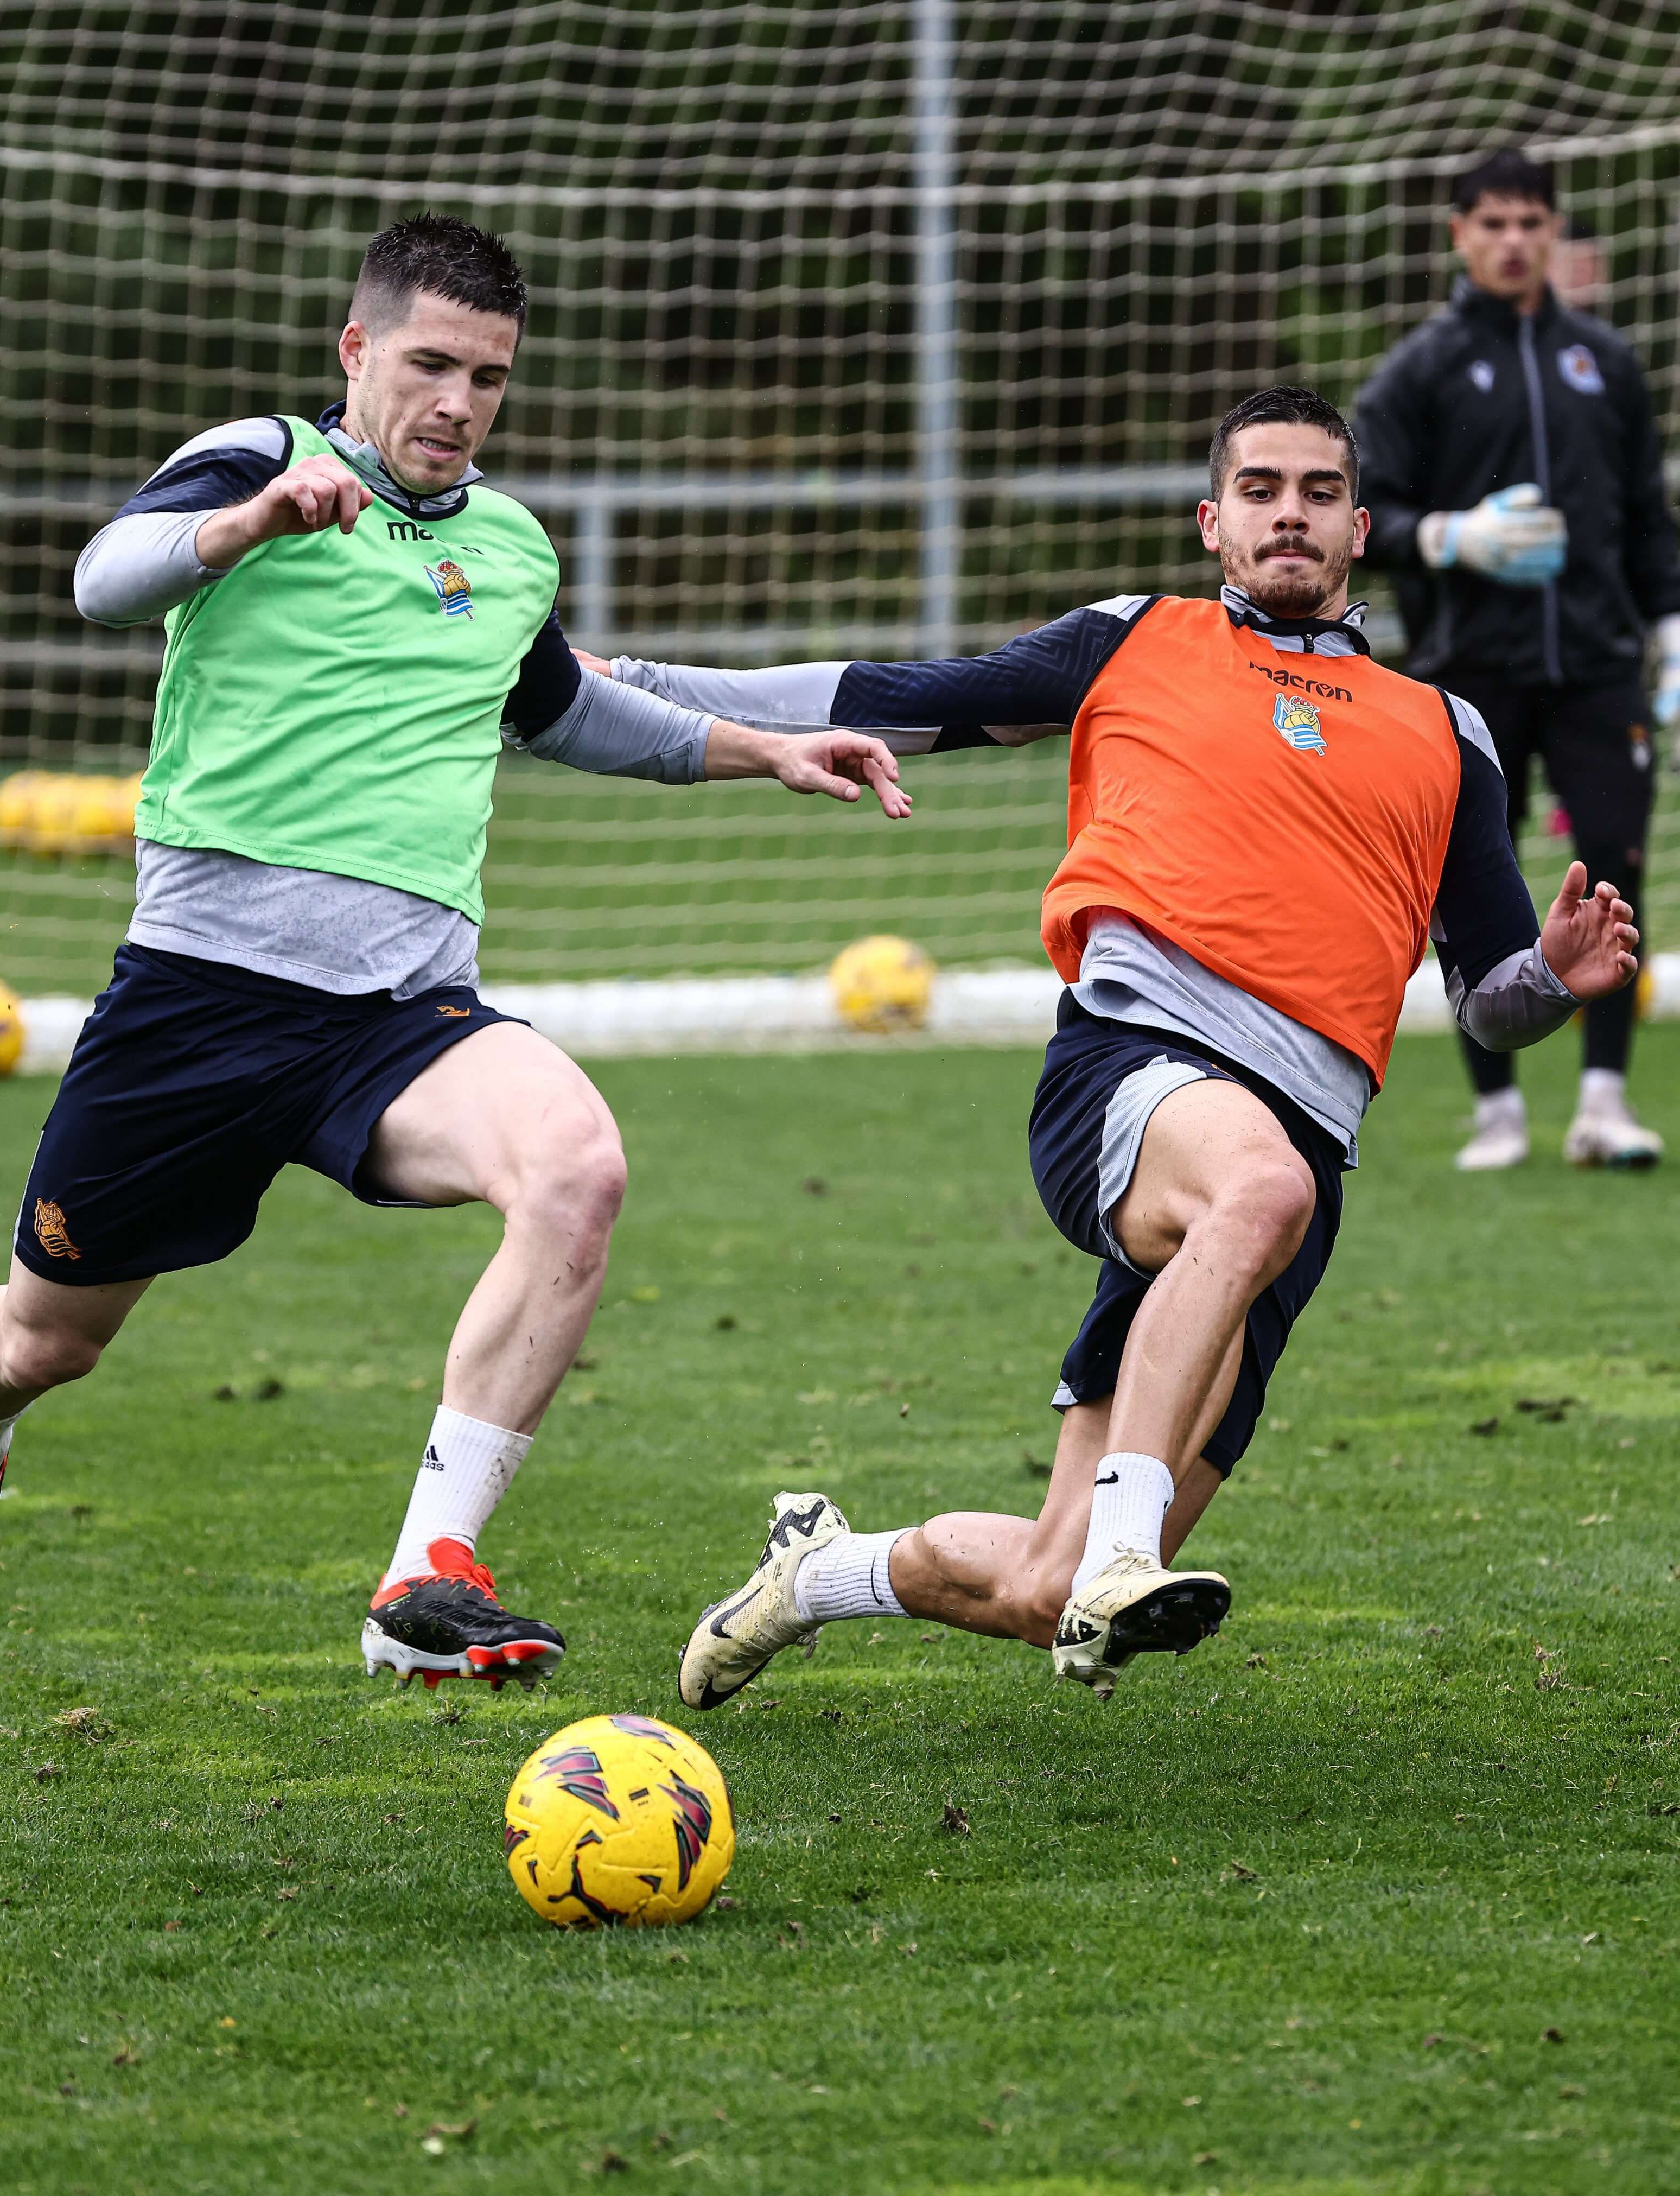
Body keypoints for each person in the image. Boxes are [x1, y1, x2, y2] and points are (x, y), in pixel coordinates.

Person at [0, 213, 909, 1691]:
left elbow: (562, 707)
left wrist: (760, 751)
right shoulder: (255, 459)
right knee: (41, 1342)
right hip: (197, 1005)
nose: (458, 402)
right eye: (431, 364)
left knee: (574, 1165)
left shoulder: (504, 544)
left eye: (489, 378)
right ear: (357, 352)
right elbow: (102, 581)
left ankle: (424, 1575)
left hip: (399, 1012)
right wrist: (252, 523)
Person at [576, 385, 1637, 1704]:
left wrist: (1559, 976)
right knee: (1257, 1196)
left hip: (1292, 1159)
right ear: (1211, 521)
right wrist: (643, 684)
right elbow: (899, 695)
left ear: (1360, 527)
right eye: (1259, 490)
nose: (1288, 514)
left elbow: (1488, 1001)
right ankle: (1126, 1556)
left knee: (1038, 1585)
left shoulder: (1446, 732)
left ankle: (818, 1570)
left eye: (1316, 492)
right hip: (1135, 1072)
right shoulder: (1136, 640)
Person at [1352, 147, 1680, 1172]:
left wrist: (1670, 631)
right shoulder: (1421, 369)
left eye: (1528, 222)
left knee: (1616, 866)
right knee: (1470, 883)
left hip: (1595, 667)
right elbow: (1369, 517)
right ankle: (1495, 1108)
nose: (1510, 240)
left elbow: (1644, 521)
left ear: (1553, 231)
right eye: (1490, 222)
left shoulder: (1604, 364)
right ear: (1460, 234)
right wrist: (1453, 537)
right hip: (1468, 672)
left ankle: (1603, 1103)